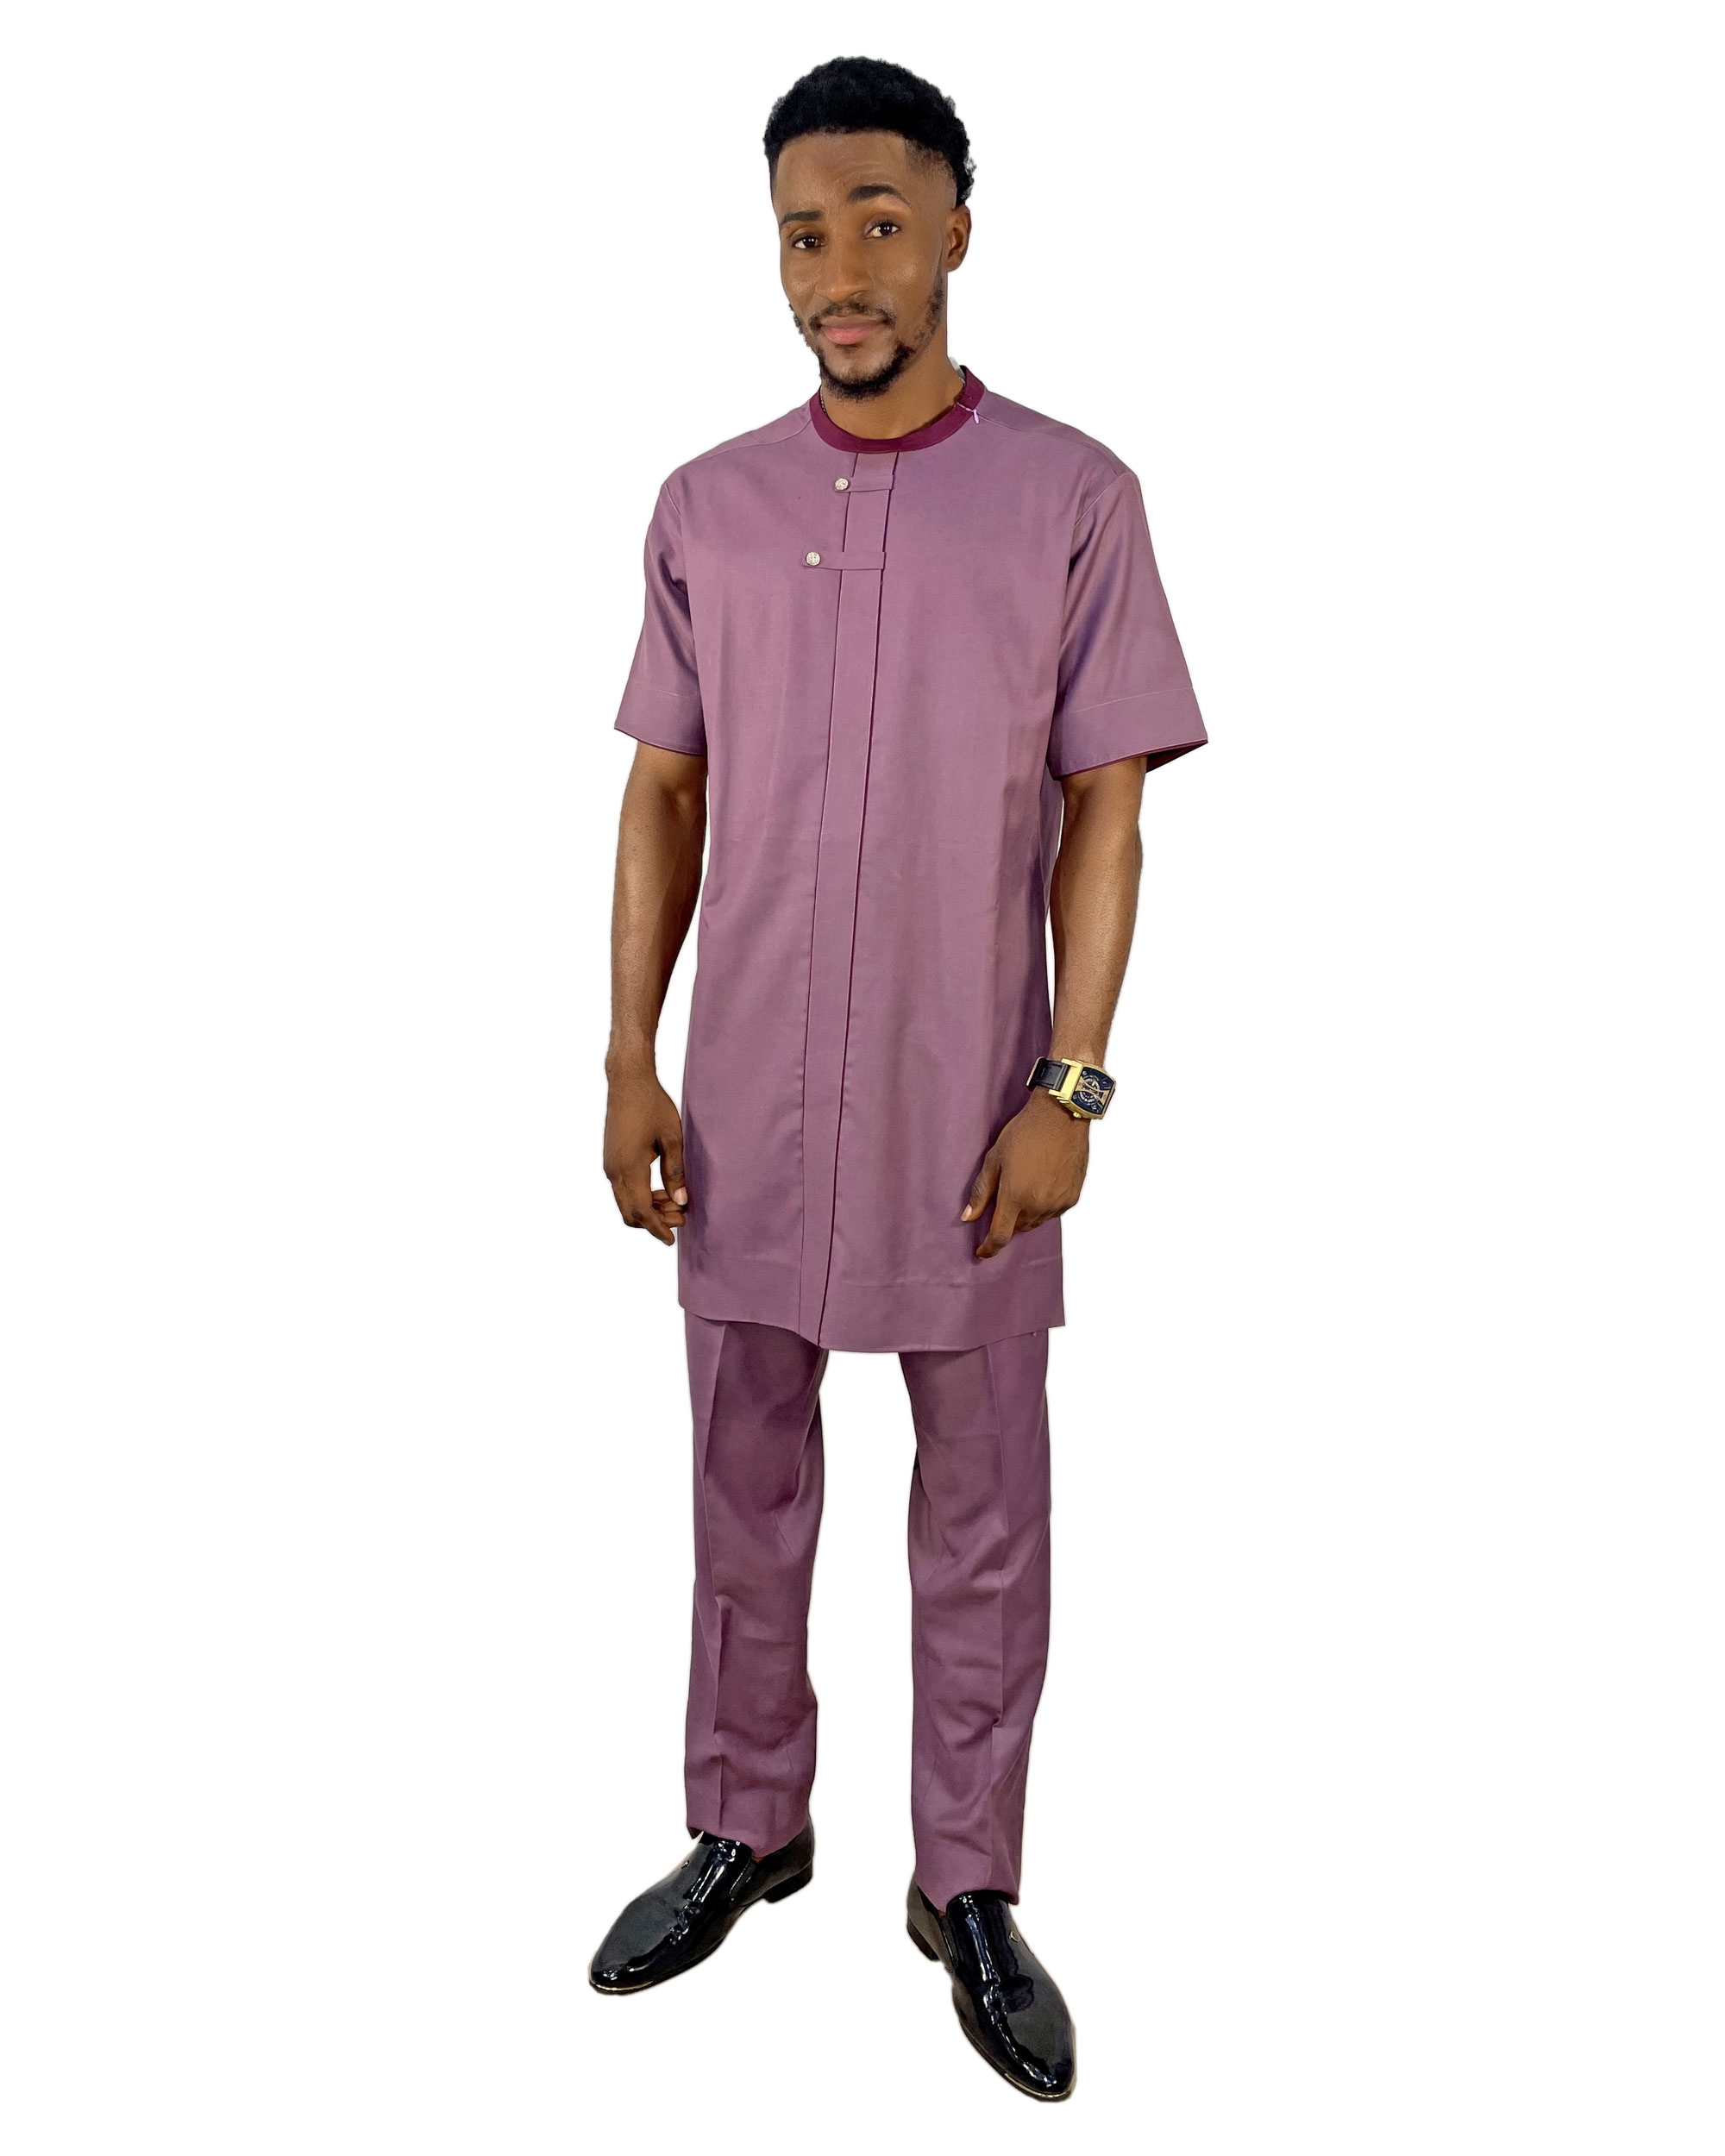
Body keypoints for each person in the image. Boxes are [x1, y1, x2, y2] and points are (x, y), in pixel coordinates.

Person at [588, 55, 1206, 2102]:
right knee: (740, 1480)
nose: (836, 270)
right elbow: (662, 792)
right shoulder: (706, 506)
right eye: (801, 231)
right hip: (745, 1095)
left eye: (875, 221)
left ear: (954, 228)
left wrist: (1072, 1083)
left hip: (967, 1106)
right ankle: (745, 1821)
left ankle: (970, 1883)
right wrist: (627, 1057)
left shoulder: (1073, 498)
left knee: (986, 1507)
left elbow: (1108, 808)